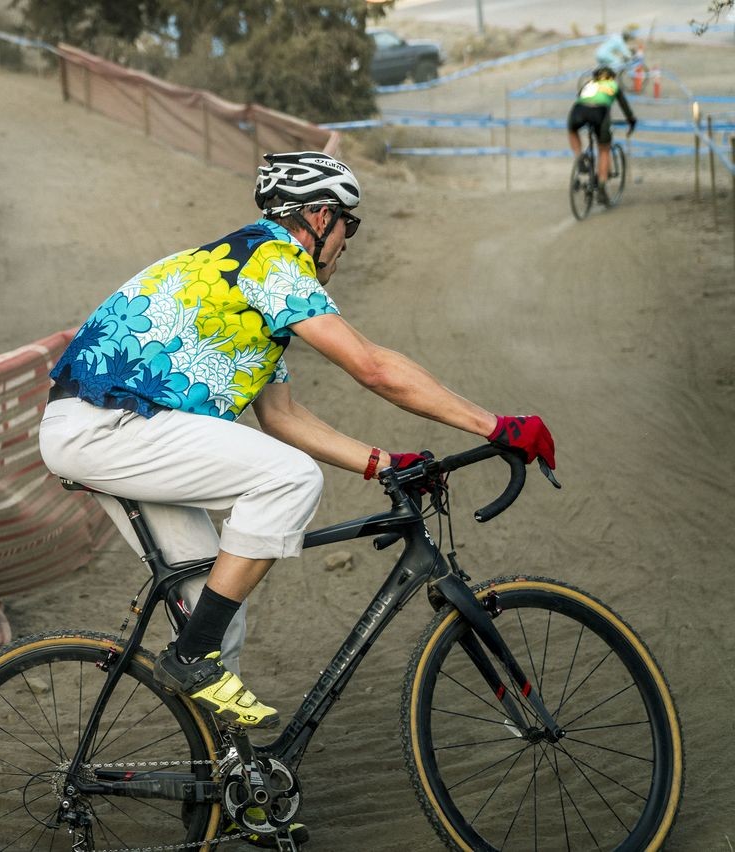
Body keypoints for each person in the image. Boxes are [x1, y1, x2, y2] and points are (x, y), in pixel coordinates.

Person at [39, 151, 556, 737]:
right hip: (110, 424)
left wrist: (385, 463)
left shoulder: (245, 273)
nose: (347, 241)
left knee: (216, 612)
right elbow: (372, 367)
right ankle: (189, 658)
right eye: (348, 225)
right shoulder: (274, 261)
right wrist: (497, 426)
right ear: (316, 216)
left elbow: (281, 415)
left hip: (112, 426)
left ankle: (226, 780)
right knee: (290, 478)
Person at [568, 65, 637, 205]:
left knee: (572, 130)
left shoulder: (589, 84)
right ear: (611, 77)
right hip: (600, 112)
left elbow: (580, 97)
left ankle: (579, 157)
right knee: (604, 150)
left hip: (579, 109)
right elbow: (625, 107)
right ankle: (601, 187)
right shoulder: (613, 85)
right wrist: (631, 121)